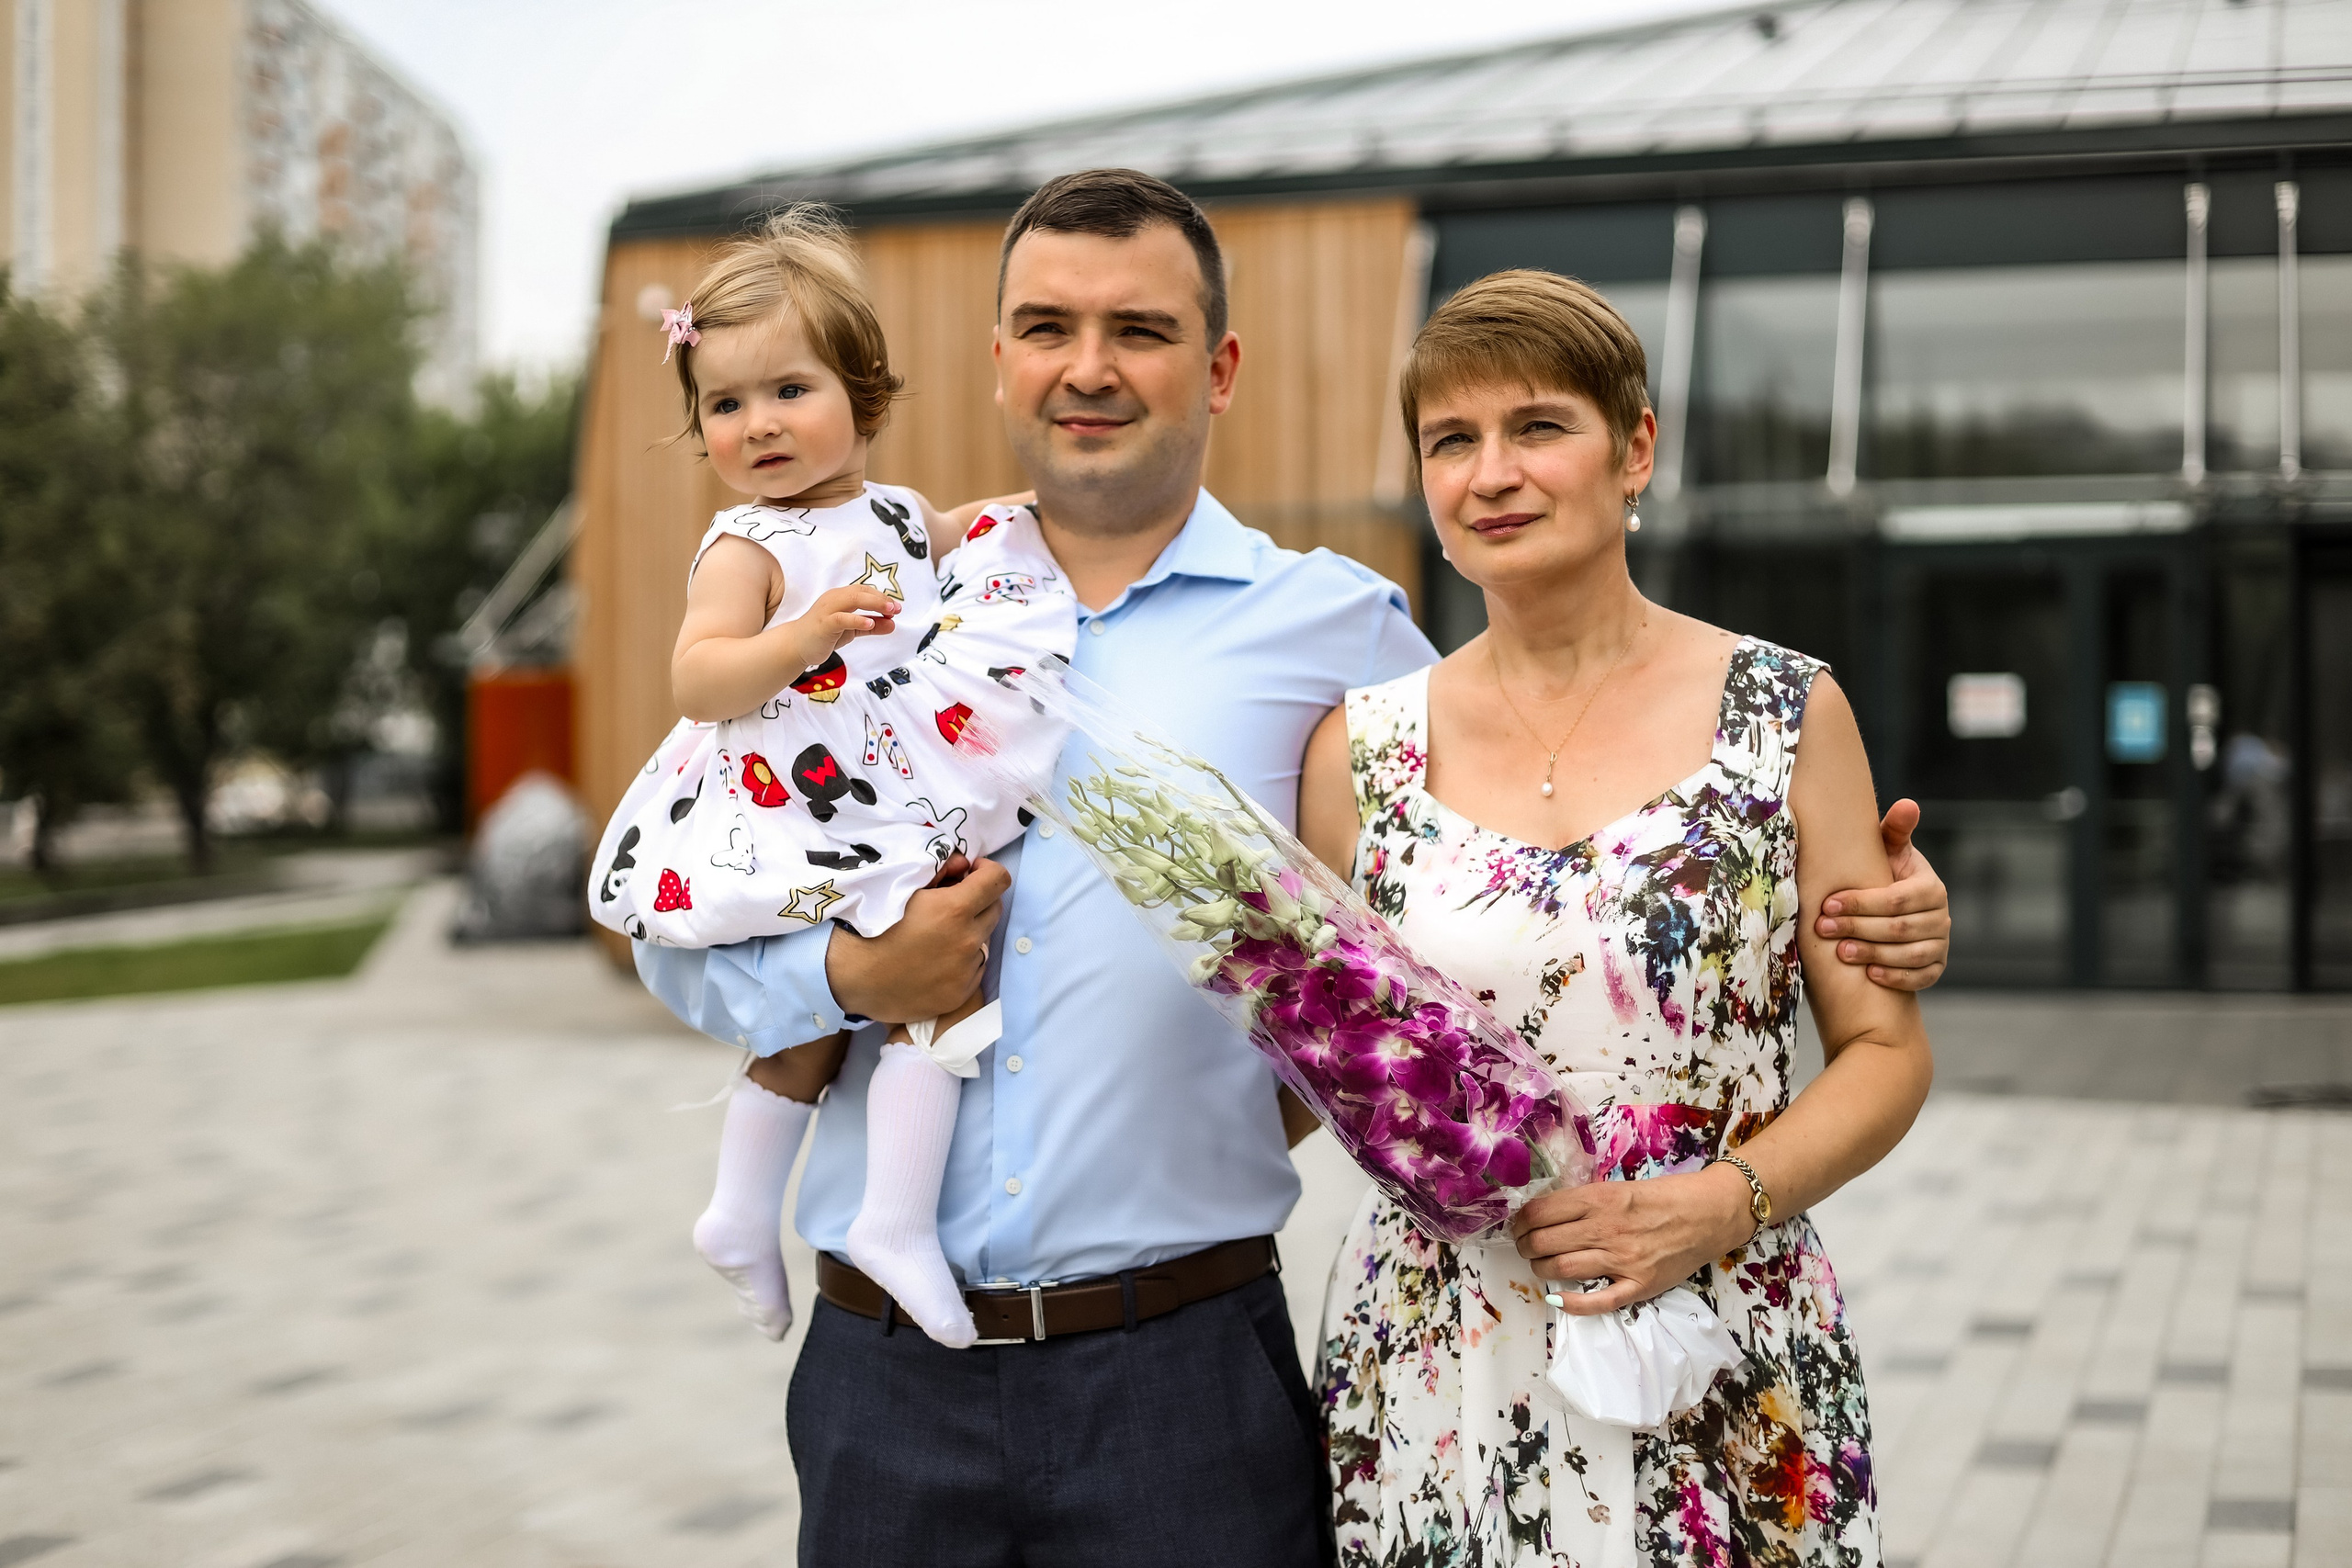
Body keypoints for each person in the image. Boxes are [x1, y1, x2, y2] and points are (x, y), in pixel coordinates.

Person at [633, 170, 1952, 1566]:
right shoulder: (859, 592)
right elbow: (685, 906)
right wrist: (847, 973)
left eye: (1139, 329)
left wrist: (1883, 913)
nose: (1089, 368)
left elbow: (1475, 923)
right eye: (1048, 326)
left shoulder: (1342, 640)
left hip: (1183, 1376)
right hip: (882, 1375)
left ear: (1221, 366)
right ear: (999, 358)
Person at [1300, 270, 1930, 1565]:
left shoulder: (1784, 713)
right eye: (1450, 440)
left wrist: (1716, 1203)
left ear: (1635, 446)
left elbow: (1886, 1050)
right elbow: (1328, 1066)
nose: (1491, 473)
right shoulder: (1357, 753)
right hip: (1446, 1351)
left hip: (1726, 1331)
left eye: (1537, 426)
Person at [589, 207, 1077, 1351]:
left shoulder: (898, 512)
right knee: (845, 1004)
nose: (757, 425)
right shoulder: (748, 547)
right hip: (791, 798)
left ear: (865, 394)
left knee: (926, 982)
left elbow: (926, 542)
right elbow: (701, 679)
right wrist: (798, 634)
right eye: (724, 404)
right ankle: (794, 1212)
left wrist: (980, 528)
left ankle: (808, 1216)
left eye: (788, 391)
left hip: (880, 786)